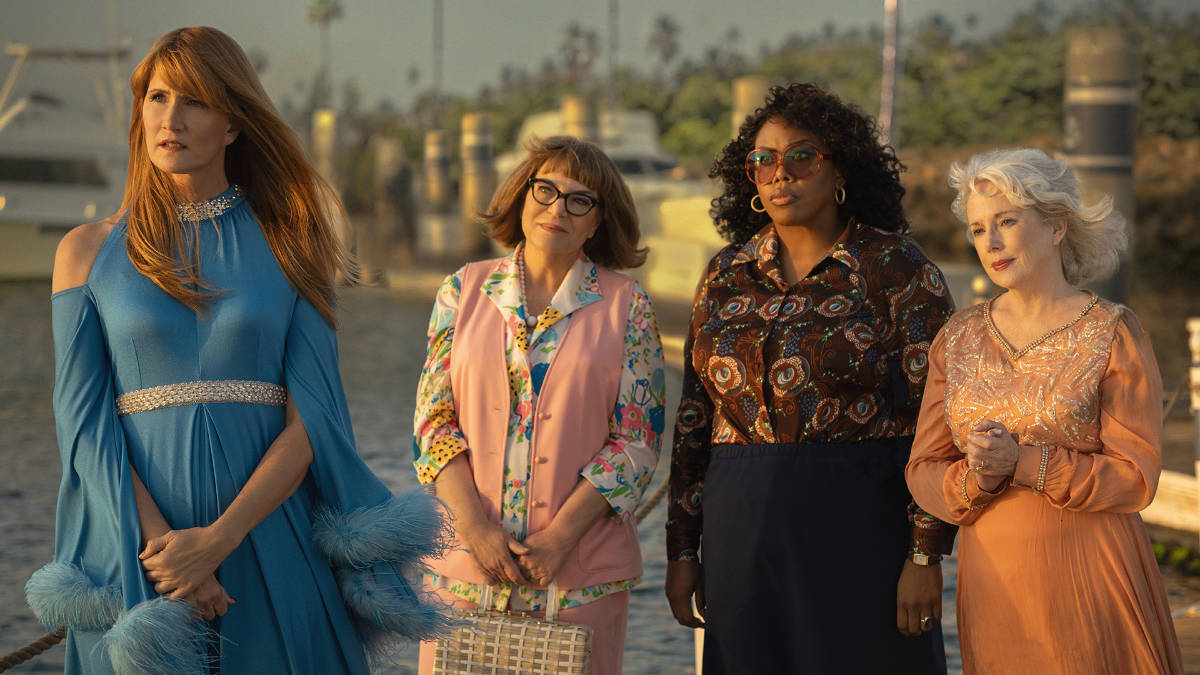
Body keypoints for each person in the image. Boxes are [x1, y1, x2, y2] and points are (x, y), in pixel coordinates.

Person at [24, 26, 448, 674]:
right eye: (159, 97)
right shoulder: (85, 251)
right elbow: (82, 424)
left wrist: (219, 539)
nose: (171, 119)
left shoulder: (294, 239)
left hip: (269, 541)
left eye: (194, 100)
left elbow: (315, 420)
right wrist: (175, 556)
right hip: (142, 558)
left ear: (232, 123)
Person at [665, 82, 956, 674]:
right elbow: (695, 417)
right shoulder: (725, 273)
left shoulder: (896, 267)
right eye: (762, 161)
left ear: (839, 169)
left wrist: (925, 556)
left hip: (858, 526)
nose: (780, 174)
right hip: (739, 529)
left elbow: (941, 415)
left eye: (800, 157)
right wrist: (682, 549)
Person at [905, 148, 1183, 673]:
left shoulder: (1111, 330)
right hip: (993, 584)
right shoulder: (958, 338)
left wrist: (1023, 464)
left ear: (1056, 226)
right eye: (978, 228)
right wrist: (980, 479)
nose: (990, 242)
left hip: (1092, 577)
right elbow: (923, 469)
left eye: (1007, 221)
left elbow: (1136, 477)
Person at [412, 135, 665, 675]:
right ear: (521, 197)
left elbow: (636, 442)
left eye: (580, 200)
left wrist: (558, 540)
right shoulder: (461, 290)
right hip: (463, 573)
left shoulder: (628, 305)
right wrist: (475, 531)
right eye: (545, 190)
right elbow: (434, 427)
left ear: (599, 221)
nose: (558, 209)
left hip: (580, 581)